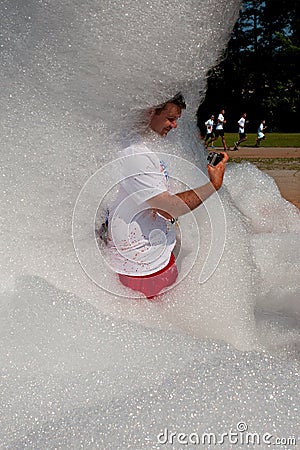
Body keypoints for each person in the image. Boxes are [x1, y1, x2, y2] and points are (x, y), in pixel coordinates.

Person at [106, 93, 228, 299]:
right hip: (142, 267)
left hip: (152, 257)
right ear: (150, 111)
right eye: (170, 119)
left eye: (177, 120)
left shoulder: (145, 145)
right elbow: (168, 207)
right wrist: (213, 185)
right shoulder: (135, 155)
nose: (174, 125)